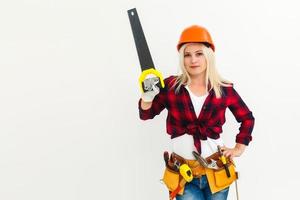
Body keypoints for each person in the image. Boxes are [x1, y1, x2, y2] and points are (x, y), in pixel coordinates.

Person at [138, 25, 255, 200]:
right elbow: (146, 114)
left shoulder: (223, 89)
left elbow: (247, 118)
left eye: (199, 53)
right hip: (184, 174)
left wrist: (238, 148)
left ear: (208, 56)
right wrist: (147, 97)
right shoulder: (170, 87)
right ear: (182, 59)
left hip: (217, 171)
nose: (193, 60)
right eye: (187, 55)